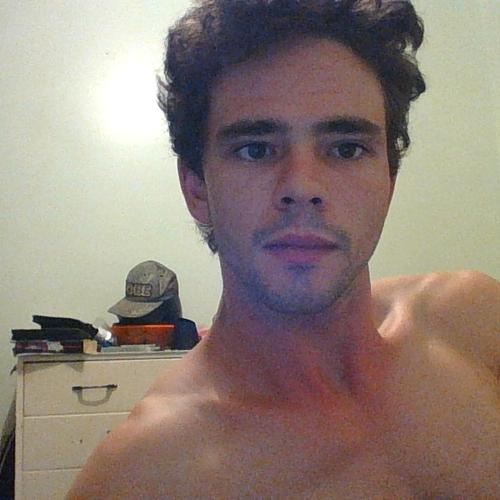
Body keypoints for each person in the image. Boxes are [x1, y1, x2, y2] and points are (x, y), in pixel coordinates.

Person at [68, 0, 500, 498]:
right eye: (256, 149)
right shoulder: (143, 476)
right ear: (197, 189)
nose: (302, 186)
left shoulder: (473, 324)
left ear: (389, 179)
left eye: (346, 148)